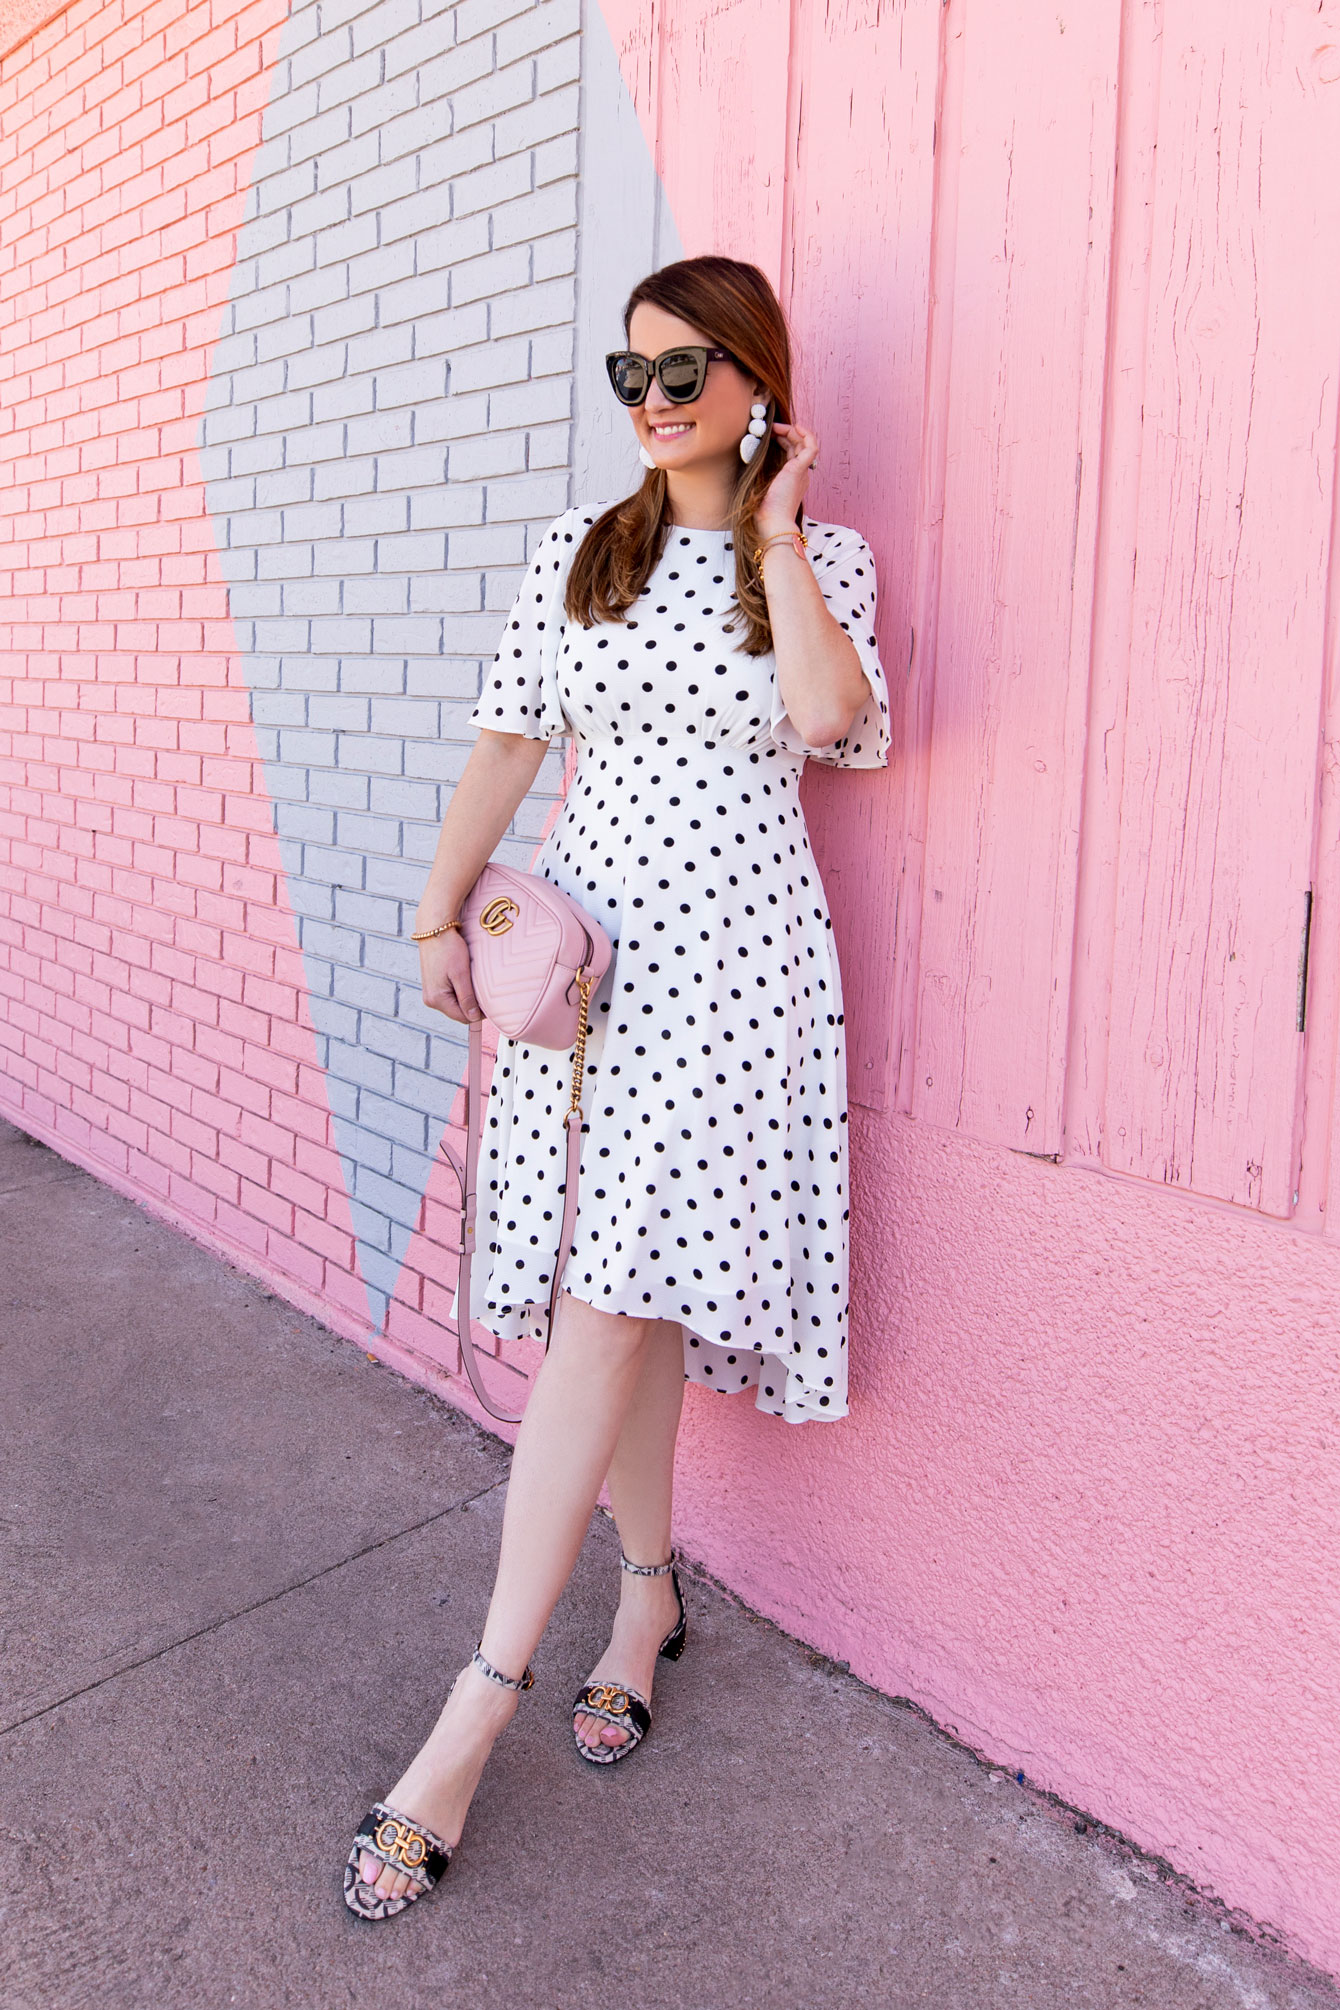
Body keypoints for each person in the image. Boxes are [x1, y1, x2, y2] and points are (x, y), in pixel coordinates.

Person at [343, 253, 890, 1920]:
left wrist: (781, 529)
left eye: (686, 372)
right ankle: (646, 1591)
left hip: (737, 984)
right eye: (631, 377)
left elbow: (833, 720)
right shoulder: (583, 557)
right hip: (591, 981)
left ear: (756, 382)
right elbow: (510, 743)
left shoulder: (824, 561)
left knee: (609, 1303)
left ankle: (472, 1711)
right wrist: (440, 908)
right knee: (619, 1296)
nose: (654, 403)